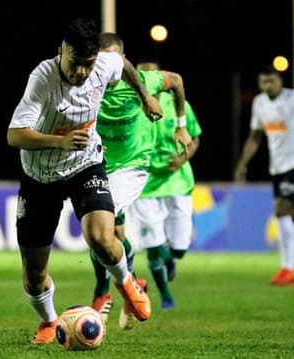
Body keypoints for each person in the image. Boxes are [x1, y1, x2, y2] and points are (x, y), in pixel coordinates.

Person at [7, 18, 161, 345]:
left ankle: (126, 282)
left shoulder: (104, 64)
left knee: (102, 239)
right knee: (35, 275)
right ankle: (49, 322)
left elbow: (123, 64)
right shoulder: (42, 79)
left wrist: (145, 96)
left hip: (85, 165)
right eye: (75, 64)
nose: (81, 73)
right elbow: (14, 135)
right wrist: (59, 142)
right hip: (41, 176)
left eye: (87, 65)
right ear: (60, 52)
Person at [89, 33, 192, 330]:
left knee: (99, 224)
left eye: (114, 60)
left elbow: (177, 81)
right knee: (113, 236)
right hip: (95, 164)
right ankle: (134, 284)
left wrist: (181, 127)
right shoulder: (86, 83)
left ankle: (103, 292)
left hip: (131, 167)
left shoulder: (145, 82)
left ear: (123, 61)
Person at [123, 59, 202, 311]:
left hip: (177, 182)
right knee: (154, 248)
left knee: (178, 249)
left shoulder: (179, 105)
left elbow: (194, 138)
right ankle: (166, 296)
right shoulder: (130, 106)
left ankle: (172, 257)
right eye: (141, 76)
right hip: (144, 184)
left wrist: (183, 157)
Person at [234, 65, 294, 286]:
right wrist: (243, 163)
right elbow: (255, 136)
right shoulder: (259, 103)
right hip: (278, 166)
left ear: (280, 81)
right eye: (263, 82)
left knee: (282, 209)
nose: (267, 85)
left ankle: (287, 268)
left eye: (272, 81)